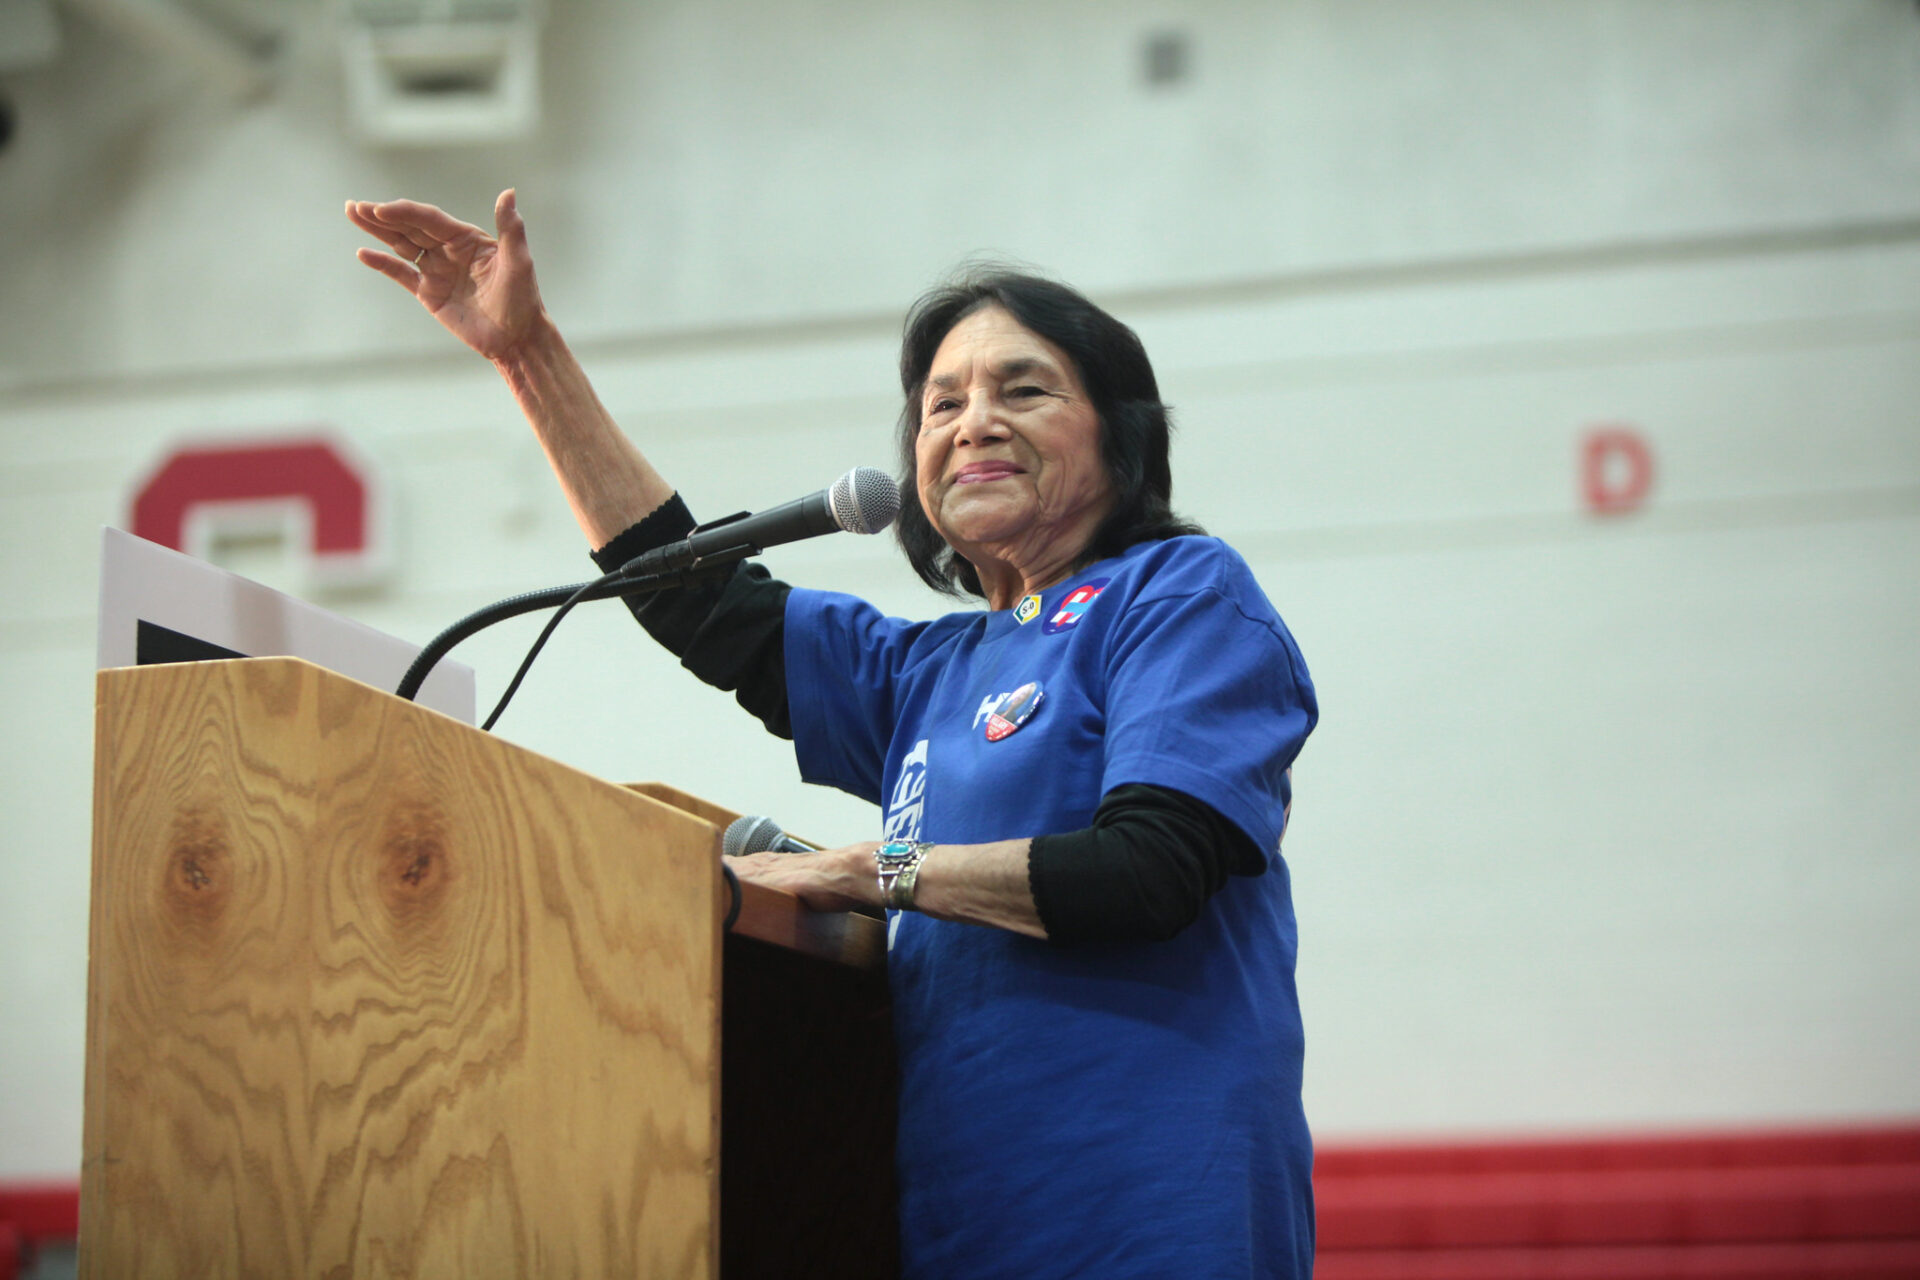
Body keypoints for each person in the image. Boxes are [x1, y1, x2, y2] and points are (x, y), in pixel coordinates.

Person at [347, 189, 1320, 1279]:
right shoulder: (931, 671)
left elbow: (1148, 871)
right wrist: (528, 356)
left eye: (1023, 388)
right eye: (940, 405)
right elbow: (698, 598)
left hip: (1148, 1208)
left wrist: (876, 867)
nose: (970, 422)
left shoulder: (1179, 592)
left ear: (1122, 436)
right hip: (957, 1218)